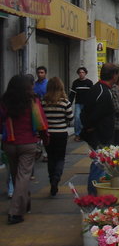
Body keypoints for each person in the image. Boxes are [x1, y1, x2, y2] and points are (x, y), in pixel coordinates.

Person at [0, 75, 50, 224]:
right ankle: (15, 211)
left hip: (9, 143)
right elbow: (41, 122)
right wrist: (45, 138)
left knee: (16, 176)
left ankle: (24, 203)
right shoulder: (32, 101)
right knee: (23, 176)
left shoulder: (5, 102)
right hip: (28, 143)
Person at [80, 63, 119, 194]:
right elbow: (92, 114)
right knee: (99, 165)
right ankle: (94, 195)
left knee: (102, 165)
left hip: (102, 135)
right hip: (100, 136)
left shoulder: (102, 89)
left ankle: (96, 193)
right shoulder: (102, 92)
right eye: (117, 74)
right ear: (113, 75)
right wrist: (90, 128)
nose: (118, 77)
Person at [42, 77, 73, 196]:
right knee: (60, 158)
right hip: (61, 133)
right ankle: (56, 178)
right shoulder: (65, 102)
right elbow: (70, 118)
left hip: (48, 133)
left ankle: (51, 180)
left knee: (51, 157)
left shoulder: (43, 102)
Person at [69, 67, 93, 142]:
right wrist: (69, 103)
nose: (81, 74)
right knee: (77, 118)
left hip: (87, 104)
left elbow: (92, 94)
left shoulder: (89, 82)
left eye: (83, 72)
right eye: (80, 72)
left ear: (85, 73)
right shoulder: (75, 82)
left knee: (85, 120)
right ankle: (77, 134)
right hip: (78, 103)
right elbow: (72, 94)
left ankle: (85, 134)